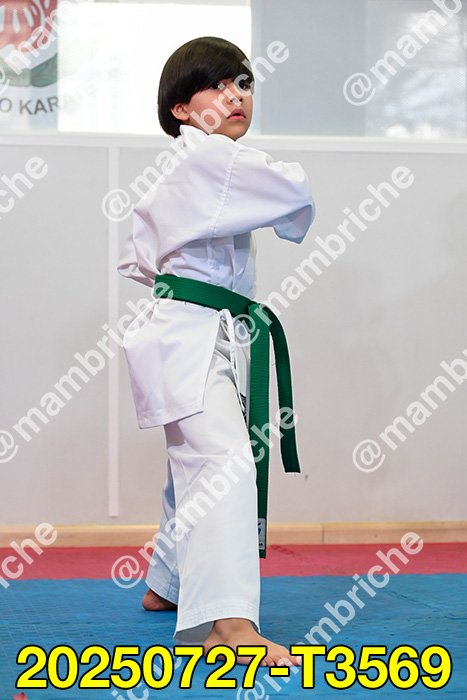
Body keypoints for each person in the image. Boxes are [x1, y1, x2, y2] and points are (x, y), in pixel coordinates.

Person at [117, 36, 315, 666]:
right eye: (218, 85)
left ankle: (165, 584)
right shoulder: (208, 157)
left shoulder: (193, 165)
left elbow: (139, 258)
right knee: (222, 462)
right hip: (191, 336)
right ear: (181, 109)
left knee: (195, 460)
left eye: (244, 84)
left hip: (202, 330)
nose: (236, 96)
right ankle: (228, 627)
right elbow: (294, 194)